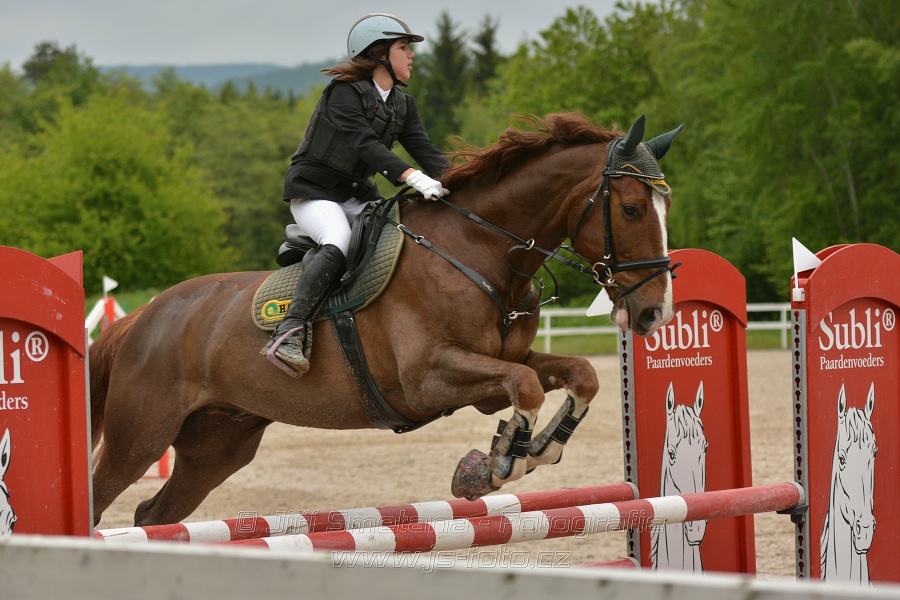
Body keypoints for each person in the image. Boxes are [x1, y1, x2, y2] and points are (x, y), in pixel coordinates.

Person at [264, 13, 451, 377]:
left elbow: (427, 151)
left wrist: (459, 180)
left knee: (406, 239)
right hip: (315, 191)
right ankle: (288, 331)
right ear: (379, 53)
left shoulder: (402, 104)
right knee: (338, 239)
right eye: (403, 48)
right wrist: (413, 177)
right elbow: (364, 144)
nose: (411, 56)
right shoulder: (343, 93)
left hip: (357, 194)